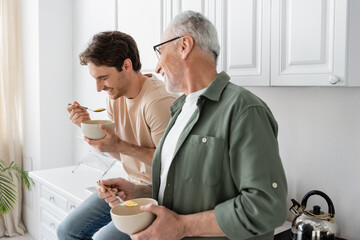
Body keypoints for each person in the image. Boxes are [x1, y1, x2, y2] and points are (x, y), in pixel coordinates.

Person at [98, 10, 288, 240]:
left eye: (160, 52)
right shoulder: (179, 110)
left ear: (184, 46)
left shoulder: (244, 110)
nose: (157, 67)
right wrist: (139, 191)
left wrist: (182, 226)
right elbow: (187, 190)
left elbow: (267, 207)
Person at [57, 31, 177, 240]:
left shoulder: (157, 101)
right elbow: (122, 154)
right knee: (66, 230)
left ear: (127, 66)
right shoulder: (115, 98)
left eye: (103, 78)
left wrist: (120, 146)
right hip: (129, 182)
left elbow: (170, 165)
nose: (98, 88)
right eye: (95, 79)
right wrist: (88, 127)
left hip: (158, 193)